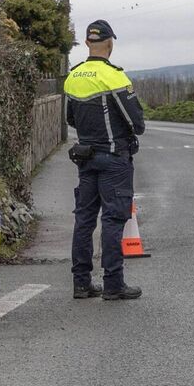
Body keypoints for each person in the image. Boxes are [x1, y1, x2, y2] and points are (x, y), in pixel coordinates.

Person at [63, 19, 145, 300]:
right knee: (112, 219)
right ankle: (113, 283)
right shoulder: (114, 77)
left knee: (84, 220)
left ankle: (81, 283)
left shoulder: (73, 76)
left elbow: (70, 118)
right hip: (114, 158)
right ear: (110, 43)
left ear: (88, 42)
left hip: (85, 157)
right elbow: (136, 122)